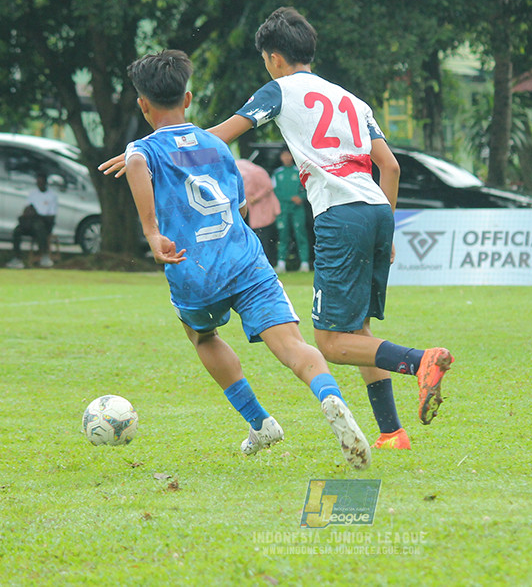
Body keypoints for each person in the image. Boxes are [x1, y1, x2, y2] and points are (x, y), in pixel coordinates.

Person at [100, 8, 453, 451]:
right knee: (358, 326)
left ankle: (419, 361)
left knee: (332, 342)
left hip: (339, 213)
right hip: (379, 209)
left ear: (274, 58)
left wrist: (153, 152)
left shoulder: (279, 90)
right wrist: (389, 228)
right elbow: (391, 166)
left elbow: (217, 136)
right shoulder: (352, 100)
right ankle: (391, 432)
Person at [117, 49, 370, 469]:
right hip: (245, 262)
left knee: (203, 337)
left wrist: (151, 232)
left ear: (143, 105)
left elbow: (138, 162)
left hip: (193, 268)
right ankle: (329, 396)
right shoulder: (217, 145)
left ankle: (260, 422)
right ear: (188, 99)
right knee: (293, 345)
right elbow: (239, 206)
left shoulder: (142, 150)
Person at [6, 173, 59, 269]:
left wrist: (38, 215)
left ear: (45, 183)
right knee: (17, 230)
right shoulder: (33, 194)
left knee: (39, 226)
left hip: (45, 223)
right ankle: (17, 258)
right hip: (31, 222)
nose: (39, 184)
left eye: (41, 182)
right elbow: (27, 208)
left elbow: (51, 216)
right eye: (38, 182)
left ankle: (45, 256)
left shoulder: (52, 196)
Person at [235, 158, 280, 265]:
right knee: (258, 234)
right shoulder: (245, 174)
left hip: (263, 209)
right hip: (253, 211)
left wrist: (255, 197)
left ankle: (268, 261)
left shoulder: (257, 173)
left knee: (264, 236)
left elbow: (268, 186)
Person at [272, 148, 310, 273]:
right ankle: (281, 263)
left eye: (288, 155)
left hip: (298, 209)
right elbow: (275, 192)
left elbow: (307, 189)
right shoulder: (277, 174)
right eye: (284, 156)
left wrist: (301, 197)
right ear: (281, 157)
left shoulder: (299, 171)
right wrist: (289, 198)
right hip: (283, 209)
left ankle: (304, 263)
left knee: (301, 234)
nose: (286, 158)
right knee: (283, 235)